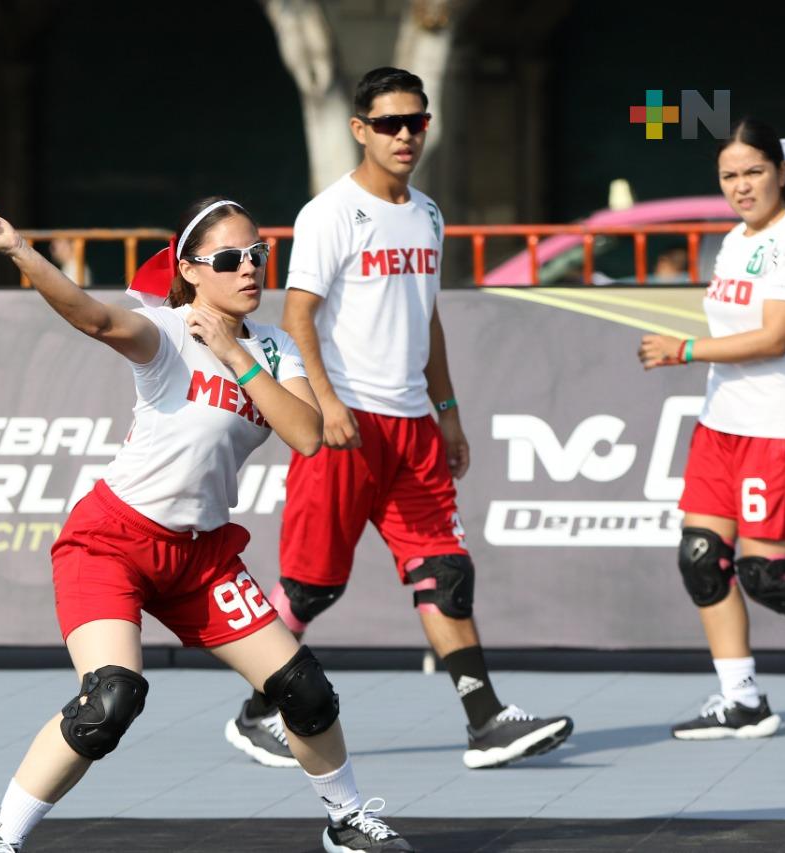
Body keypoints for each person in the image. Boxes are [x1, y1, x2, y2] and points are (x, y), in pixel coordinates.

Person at [0, 195, 417, 852]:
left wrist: (235, 353)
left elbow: (308, 433)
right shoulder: (165, 331)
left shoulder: (275, 348)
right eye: (230, 258)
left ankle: (345, 819)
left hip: (201, 559)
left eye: (258, 254)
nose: (250, 267)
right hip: (112, 543)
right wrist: (17, 248)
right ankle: (1, 839)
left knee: (305, 691)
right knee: (110, 699)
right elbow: (94, 319)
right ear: (192, 270)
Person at [225, 67, 573, 771]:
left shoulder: (429, 213)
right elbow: (297, 317)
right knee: (312, 585)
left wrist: (447, 411)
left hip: (414, 426)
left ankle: (486, 720)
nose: (406, 135)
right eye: (389, 123)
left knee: (444, 570)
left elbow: (428, 319)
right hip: (347, 423)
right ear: (360, 129)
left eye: (417, 121)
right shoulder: (329, 212)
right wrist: (326, 404)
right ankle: (258, 711)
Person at [638, 118, 785, 740]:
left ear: (782, 171)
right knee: (700, 561)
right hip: (721, 424)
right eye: (730, 175)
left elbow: (773, 339)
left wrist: (685, 349)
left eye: (754, 172)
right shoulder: (737, 237)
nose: (742, 186)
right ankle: (742, 700)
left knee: (768, 577)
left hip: (773, 426)